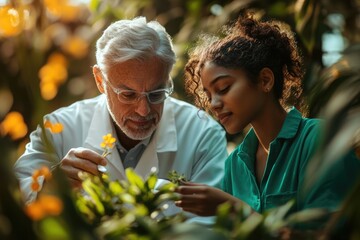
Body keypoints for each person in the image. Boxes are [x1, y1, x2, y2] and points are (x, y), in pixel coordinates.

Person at [14, 17, 228, 224]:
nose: (143, 111)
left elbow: (212, 226)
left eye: (156, 93)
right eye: (128, 95)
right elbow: (12, 201)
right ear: (100, 80)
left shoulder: (203, 135)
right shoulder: (58, 129)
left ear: (167, 79)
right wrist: (52, 185)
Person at [175, 14, 360, 227]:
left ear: (265, 80)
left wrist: (236, 209)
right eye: (209, 96)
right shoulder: (234, 165)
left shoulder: (320, 140)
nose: (214, 104)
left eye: (223, 88)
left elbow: (330, 232)